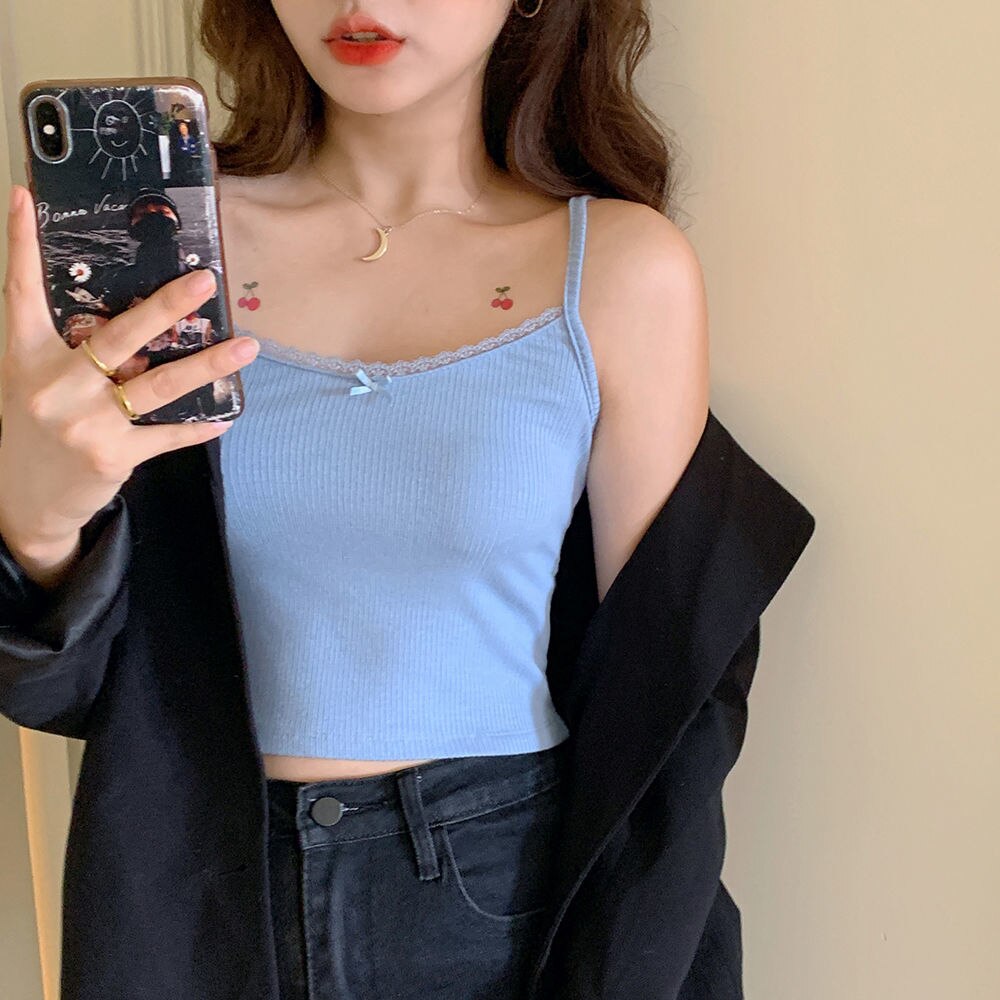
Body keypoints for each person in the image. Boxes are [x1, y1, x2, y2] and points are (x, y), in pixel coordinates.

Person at [0, 1, 712, 996]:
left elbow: (665, 709)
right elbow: (65, 693)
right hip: (188, 883)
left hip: (495, 894)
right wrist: (34, 520)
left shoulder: (621, 273)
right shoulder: (151, 257)